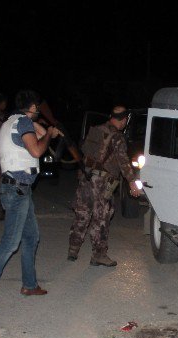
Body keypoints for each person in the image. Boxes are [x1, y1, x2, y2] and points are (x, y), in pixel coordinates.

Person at [0, 90, 63, 307]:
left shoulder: (12, 121)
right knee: (11, 242)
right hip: (16, 190)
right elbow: (36, 151)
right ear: (33, 107)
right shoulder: (23, 123)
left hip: (19, 190)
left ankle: (29, 284)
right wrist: (48, 135)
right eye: (37, 107)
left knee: (31, 237)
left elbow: (41, 133)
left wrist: (44, 127)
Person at [67, 105, 141, 267]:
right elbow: (123, 162)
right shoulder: (117, 137)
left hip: (86, 178)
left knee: (82, 214)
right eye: (126, 120)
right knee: (101, 218)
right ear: (123, 119)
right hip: (101, 183)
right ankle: (99, 255)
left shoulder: (96, 130)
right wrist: (131, 182)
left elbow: (85, 152)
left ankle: (73, 249)